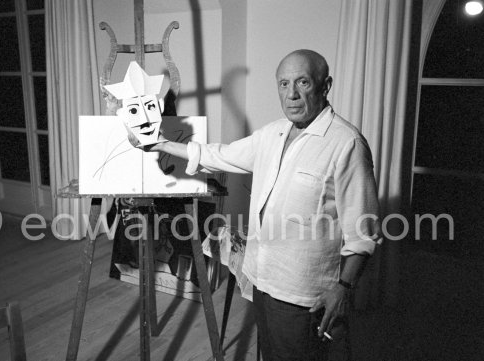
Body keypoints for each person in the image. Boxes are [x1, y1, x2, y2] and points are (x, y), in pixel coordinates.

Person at [129, 49, 381, 361]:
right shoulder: (271, 134)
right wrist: (160, 144)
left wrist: (343, 288)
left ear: (325, 86)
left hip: (302, 293)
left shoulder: (347, 144)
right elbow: (218, 154)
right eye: (284, 84)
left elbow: (363, 234)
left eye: (303, 82)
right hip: (261, 279)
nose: (292, 95)